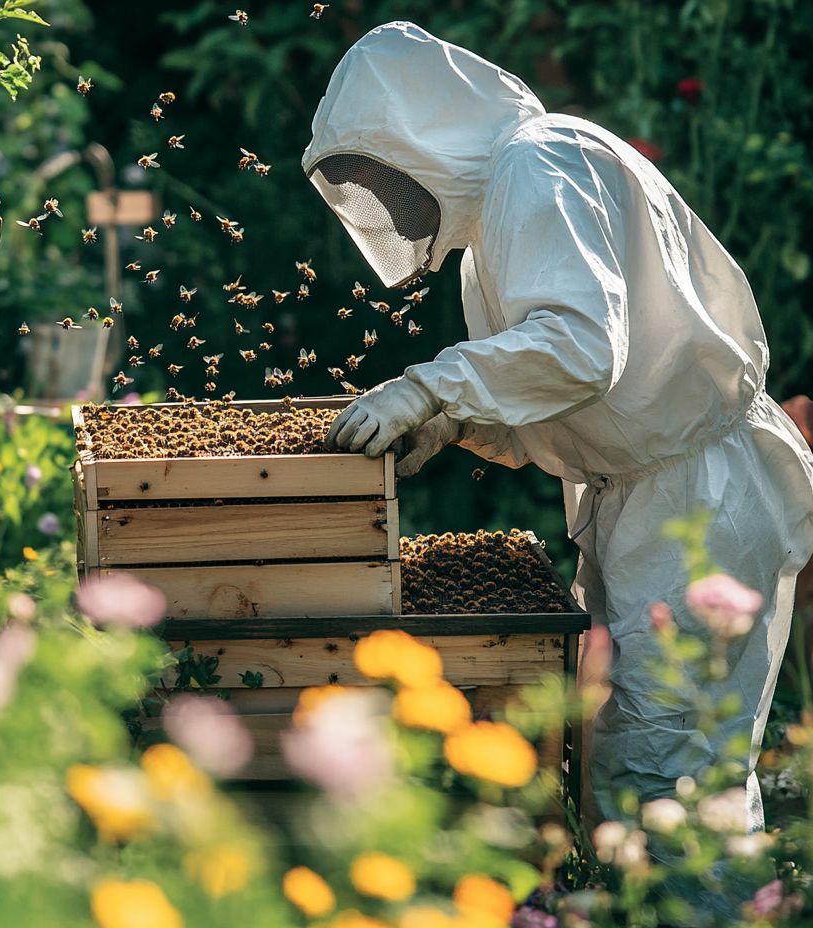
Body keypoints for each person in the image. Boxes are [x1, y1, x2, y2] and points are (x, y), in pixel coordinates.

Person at [308, 21, 813, 834]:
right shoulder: (504, 211)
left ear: (419, 136)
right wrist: (454, 425)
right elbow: (555, 394)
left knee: (671, 782)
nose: (389, 205)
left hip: (697, 494)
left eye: (380, 173)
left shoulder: (540, 162)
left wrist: (431, 387)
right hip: (642, 492)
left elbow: (579, 349)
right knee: (627, 768)